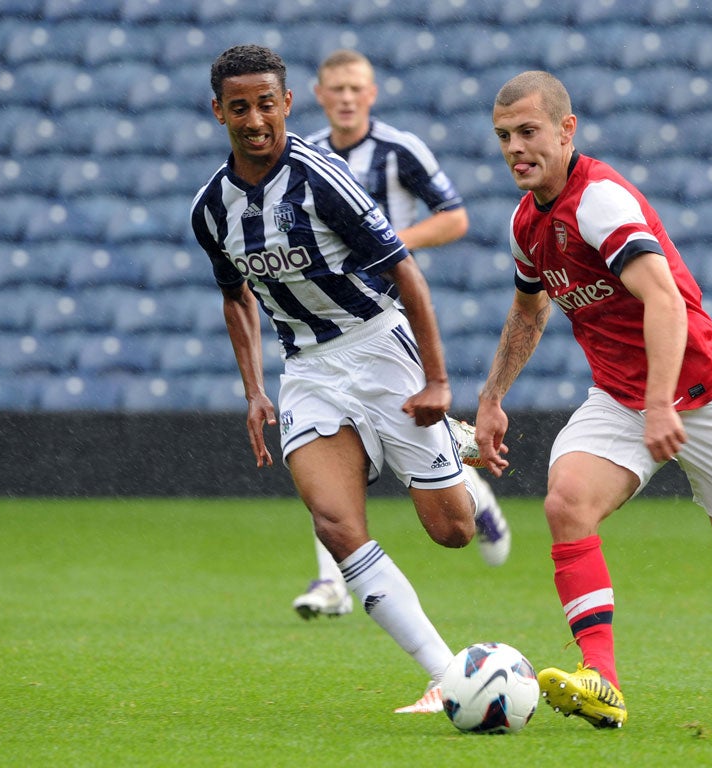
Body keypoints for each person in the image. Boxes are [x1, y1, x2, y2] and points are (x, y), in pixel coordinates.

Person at [474, 71, 712, 729]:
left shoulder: (600, 202)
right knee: (566, 501)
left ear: (567, 131)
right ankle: (603, 679)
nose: (515, 147)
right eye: (505, 135)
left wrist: (661, 404)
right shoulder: (525, 224)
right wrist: (491, 398)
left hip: (705, 393)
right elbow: (527, 311)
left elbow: (665, 302)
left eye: (529, 132)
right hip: (624, 401)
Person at [191, 44, 489, 714]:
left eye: (267, 103)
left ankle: (451, 439)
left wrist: (437, 382)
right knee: (333, 521)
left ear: (287, 104)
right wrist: (255, 390)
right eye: (240, 107)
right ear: (219, 112)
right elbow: (235, 296)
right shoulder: (211, 209)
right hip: (309, 371)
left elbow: (404, 271)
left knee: (453, 532)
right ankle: (446, 675)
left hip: (379, 348)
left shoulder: (322, 177)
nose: (255, 118)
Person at [291, 49, 509, 622]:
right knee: (329, 437)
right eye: (335, 87)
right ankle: (331, 582)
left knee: (396, 441)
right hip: (329, 324)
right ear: (319, 94)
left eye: (354, 87)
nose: (344, 97)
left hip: (390, 314)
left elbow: (455, 216)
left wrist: (387, 239)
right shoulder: (304, 156)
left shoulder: (398, 149)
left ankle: (457, 474)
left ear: (371, 93)